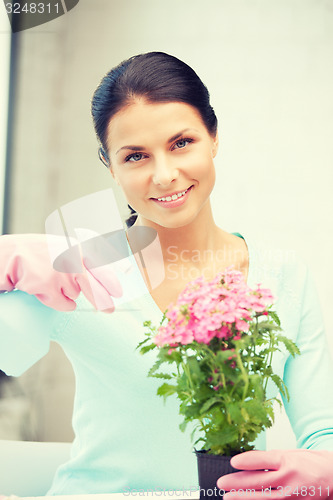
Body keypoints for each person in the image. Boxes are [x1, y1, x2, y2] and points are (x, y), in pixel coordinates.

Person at [1, 52, 333, 498]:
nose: (164, 175)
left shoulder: (284, 276)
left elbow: (323, 435)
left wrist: (324, 471)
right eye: (135, 156)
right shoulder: (79, 270)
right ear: (109, 164)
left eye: (182, 143)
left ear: (213, 137)